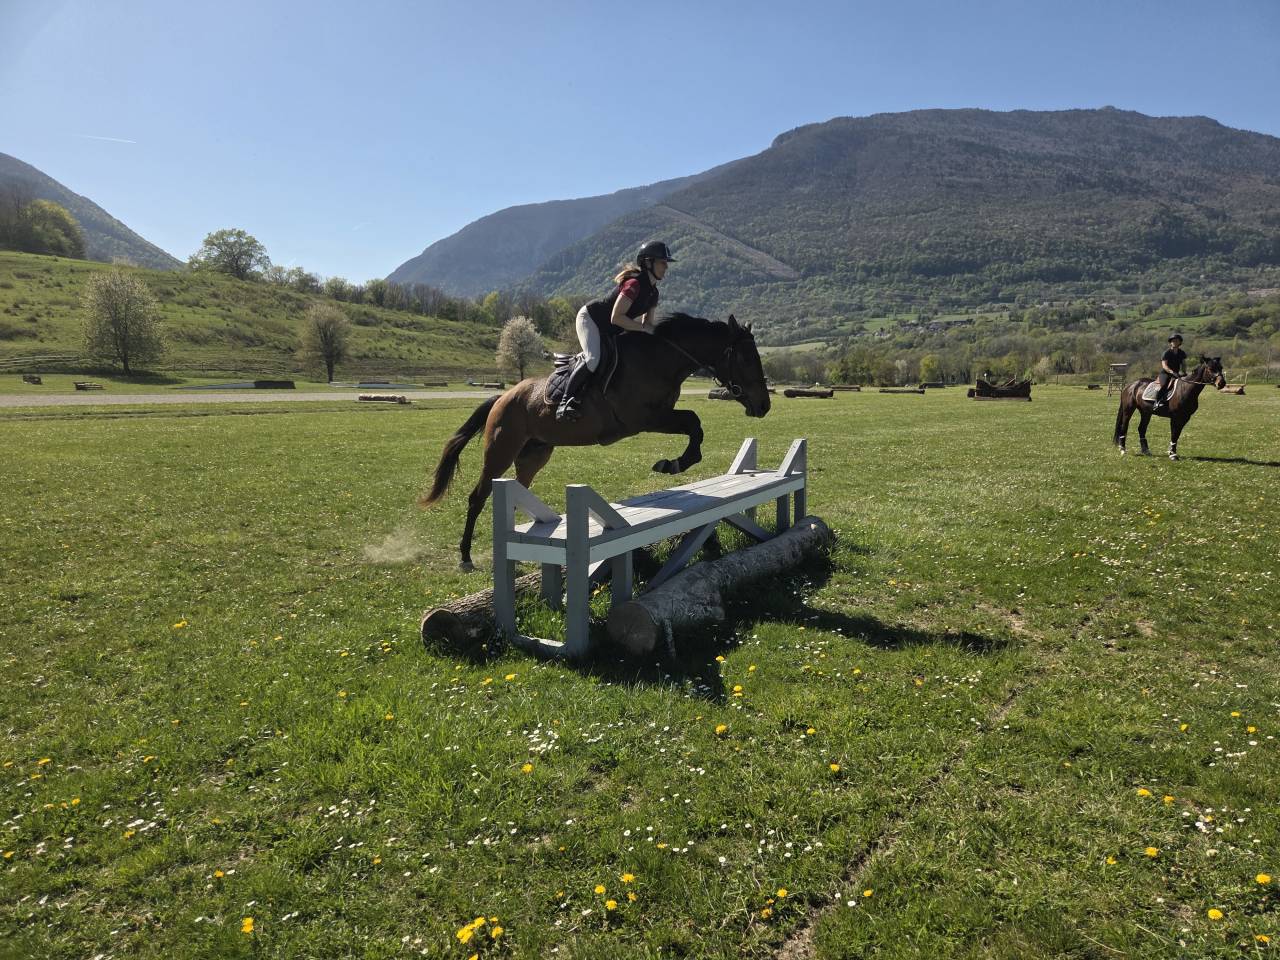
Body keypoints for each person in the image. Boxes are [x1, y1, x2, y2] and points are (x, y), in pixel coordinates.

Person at [556, 240, 675, 421]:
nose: (666, 267)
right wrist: (643, 329)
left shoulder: (653, 293)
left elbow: (648, 325)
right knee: (593, 359)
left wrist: (662, 337)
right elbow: (616, 318)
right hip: (590, 319)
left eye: (666, 263)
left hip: (612, 329)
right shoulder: (634, 285)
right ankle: (564, 403)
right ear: (648, 263)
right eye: (662, 262)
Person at [1152, 333, 1187, 411]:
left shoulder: (1182, 353)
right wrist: (1171, 372)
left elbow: (1183, 364)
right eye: (1173, 341)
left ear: (1180, 342)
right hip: (1165, 373)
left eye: (1177, 341)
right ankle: (1156, 402)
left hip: (1176, 374)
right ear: (1170, 342)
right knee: (1164, 385)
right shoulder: (1166, 353)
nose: (1175, 342)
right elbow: (1164, 365)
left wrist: (1184, 372)